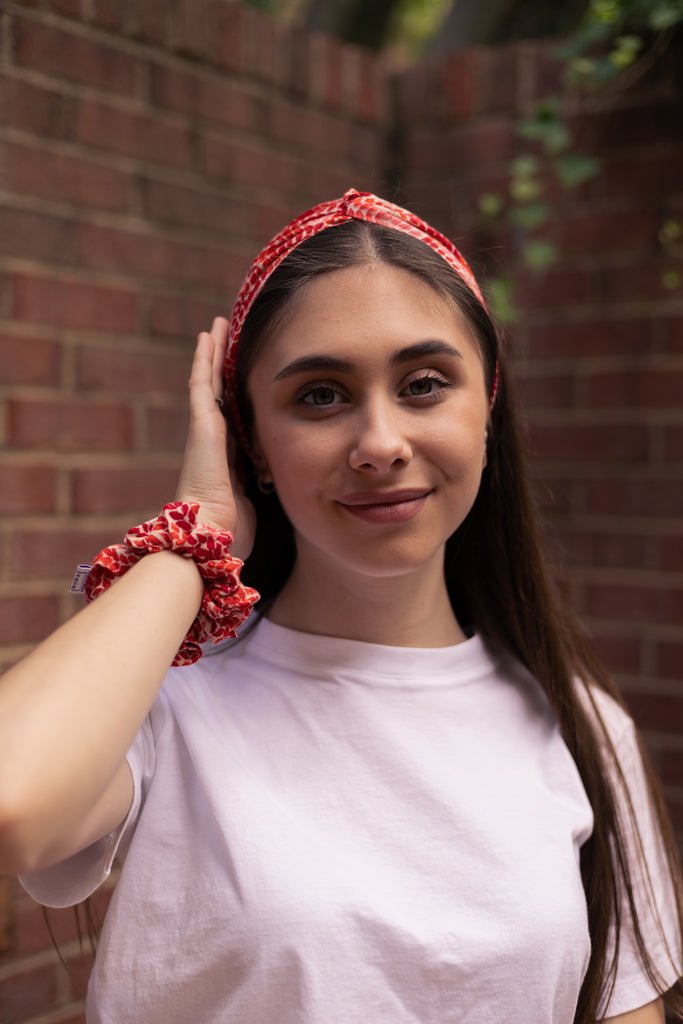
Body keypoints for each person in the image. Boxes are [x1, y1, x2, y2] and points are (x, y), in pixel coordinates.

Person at [0, 189, 681, 1024]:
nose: (380, 444)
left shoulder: (582, 725)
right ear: (248, 439)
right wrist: (197, 537)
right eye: (319, 395)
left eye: (425, 384)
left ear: (486, 407)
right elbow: (13, 803)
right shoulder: (163, 702)